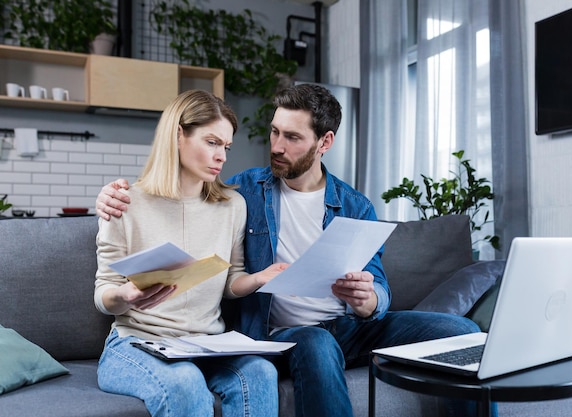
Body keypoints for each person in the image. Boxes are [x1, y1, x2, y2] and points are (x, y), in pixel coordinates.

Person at [96, 84, 488, 417]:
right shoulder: (245, 191)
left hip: (350, 328)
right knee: (316, 343)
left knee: (462, 332)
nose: (277, 147)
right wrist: (109, 195)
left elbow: (378, 290)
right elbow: (184, 189)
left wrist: (368, 300)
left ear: (325, 142)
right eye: (274, 133)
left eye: (293, 137)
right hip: (290, 333)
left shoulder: (354, 205)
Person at [94, 89, 287, 417]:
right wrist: (126, 295)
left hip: (205, 344)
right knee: (184, 381)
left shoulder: (232, 206)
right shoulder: (125, 202)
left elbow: (231, 279)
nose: (222, 156)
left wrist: (257, 279)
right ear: (178, 135)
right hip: (136, 343)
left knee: (260, 372)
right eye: (212, 142)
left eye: (226, 146)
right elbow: (103, 295)